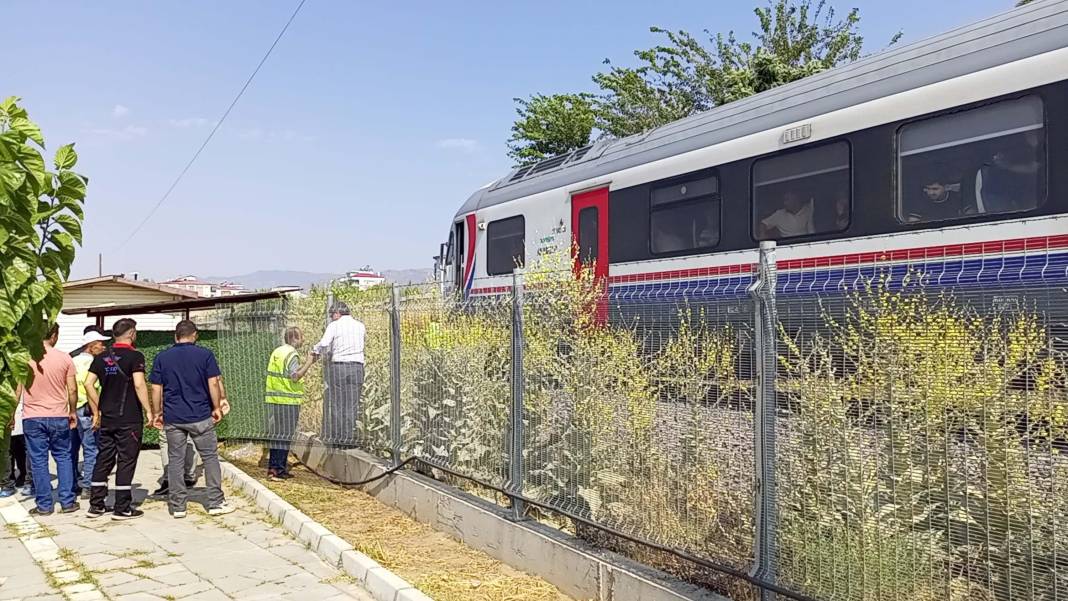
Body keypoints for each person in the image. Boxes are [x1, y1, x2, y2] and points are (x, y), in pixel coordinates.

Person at [149, 320, 234, 518]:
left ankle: (178, 506)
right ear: (194, 335)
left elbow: (156, 388)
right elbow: (213, 382)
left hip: (174, 417)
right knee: (210, 457)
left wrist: (157, 412)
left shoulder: (162, 357)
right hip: (200, 415)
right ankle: (215, 502)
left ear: (175, 335)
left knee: (176, 460)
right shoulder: (205, 355)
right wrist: (216, 407)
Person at [85, 318, 153, 520]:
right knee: (126, 460)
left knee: (103, 459)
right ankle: (122, 507)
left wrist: (97, 409)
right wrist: (148, 410)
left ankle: (96, 505)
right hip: (129, 418)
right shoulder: (135, 356)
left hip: (107, 418)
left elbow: (88, 383)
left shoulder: (101, 357)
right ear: (131, 333)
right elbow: (139, 384)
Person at [18, 324, 79, 516]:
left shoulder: (25, 358)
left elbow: (17, 390)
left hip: (32, 416)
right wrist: (73, 411)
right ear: (53, 335)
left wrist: (10, 414)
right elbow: (73, 389)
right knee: (63, 457)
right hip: (58, 414)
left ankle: (44, 504)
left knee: (38, 461)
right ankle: (67, 501)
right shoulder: (64, 358)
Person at [264, 327, 316, 480]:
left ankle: (275, 467)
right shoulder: (292, 354)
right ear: (294, 338)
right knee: (284, 436)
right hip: (288, 400)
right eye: (301, 337)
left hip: (275, 398)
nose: (303, 340)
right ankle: (277, 470)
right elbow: (294, 376)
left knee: (278, 434)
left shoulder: (278, 351)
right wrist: (308, 363)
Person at [313, 302, 365, 448]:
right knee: (351, 404)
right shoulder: (360, 326)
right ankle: (348, 439)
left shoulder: (334, 325)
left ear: (337, 313)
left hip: (339, 367)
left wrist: (314, 351)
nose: (331, 318)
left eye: (331, 315)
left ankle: (337, 439)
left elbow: (324, 344)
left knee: (337, 403)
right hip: (356, 367)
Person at [69, 327, 110, 499]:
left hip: (72, 410)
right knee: (91, 449)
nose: (104, 347)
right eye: (101, 343)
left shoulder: (72, 361)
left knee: (71, 450)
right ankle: (88, 486)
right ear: (91, 346)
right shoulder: (93, 364)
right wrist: (97, 413)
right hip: (88, 409)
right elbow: (91, 387)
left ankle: (71, 484)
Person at [904, 180, 971, 222]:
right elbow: (912, 223)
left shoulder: (958, 198)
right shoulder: (920, 201)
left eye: (935, 189)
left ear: (946, 188)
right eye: (928, 189)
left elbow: (970, 216)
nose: (930, 193)